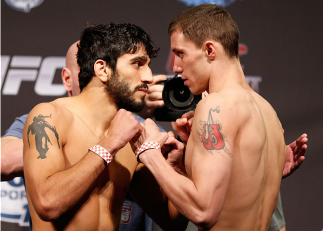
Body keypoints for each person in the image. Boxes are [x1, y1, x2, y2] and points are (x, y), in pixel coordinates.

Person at [129, 4, 306, 231]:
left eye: (180, 54)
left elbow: (204, 212)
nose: (176, 67)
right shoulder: (268, 111)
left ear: (210, 50)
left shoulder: (214, 106)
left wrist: (150, 153)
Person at [22, 23, 188, 231]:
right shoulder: (49, 117)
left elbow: (173, 223)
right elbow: (47, 205)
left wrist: (175, 168)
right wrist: (110, 144)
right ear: (103, 69)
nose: (148, 77)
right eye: (138, 64)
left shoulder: (133, 138)